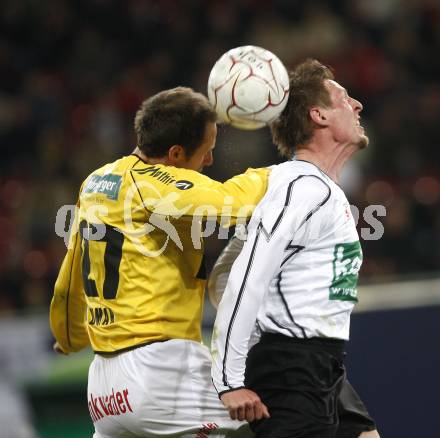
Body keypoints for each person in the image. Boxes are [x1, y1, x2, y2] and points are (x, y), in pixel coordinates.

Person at [50, 87, 270, 437]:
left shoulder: (96, 182)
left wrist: (68, 334)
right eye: (207, 151)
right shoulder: (154, 188)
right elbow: (234, 204)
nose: (210, 161)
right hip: (159, 368)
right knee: (281, 420)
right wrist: (285, 174)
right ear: (176, 153)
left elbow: (73, 269)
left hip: (104, 387)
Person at [211, 59, 380, 438]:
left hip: (323, 366)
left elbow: (231, 275)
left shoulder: (316, 189)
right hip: (292, 370)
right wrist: (229, 380)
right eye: (344, 98)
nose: (357, 105)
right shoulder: (301, 187)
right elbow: (245, 278)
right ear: (318, 115)